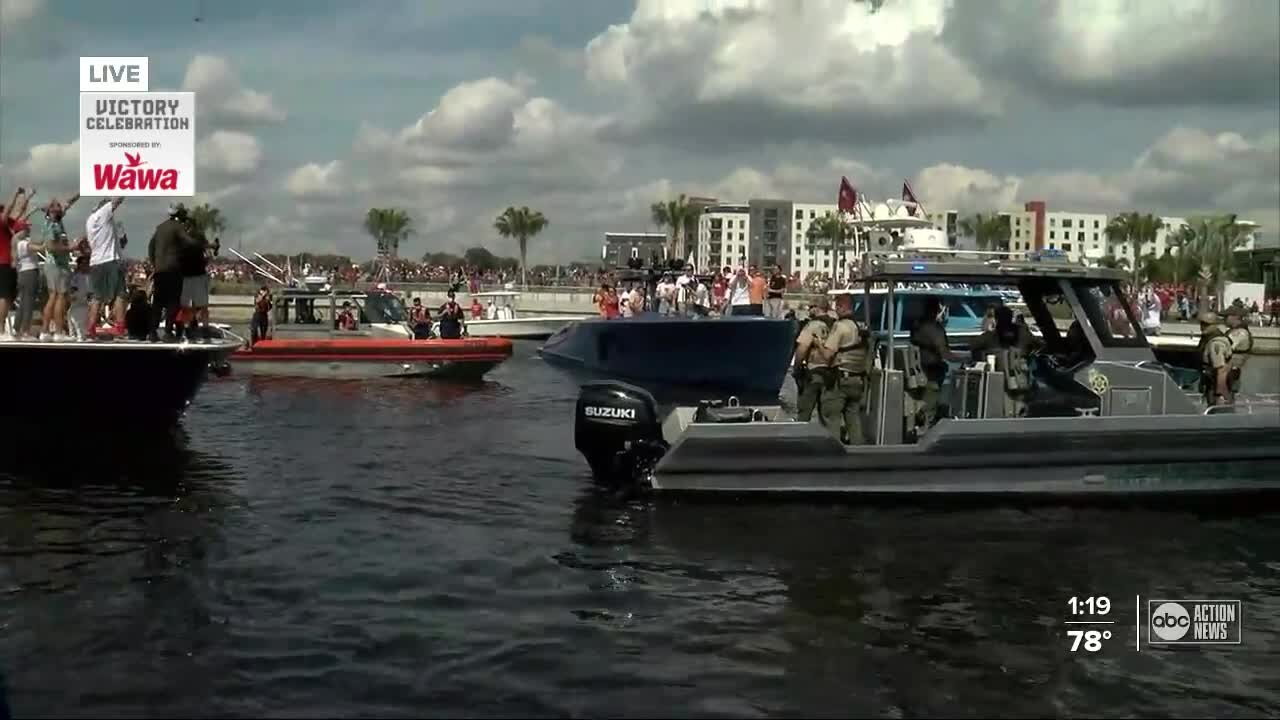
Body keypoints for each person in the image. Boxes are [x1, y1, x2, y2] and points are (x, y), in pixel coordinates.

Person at [818, 293, 868, 444]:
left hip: (841, 379)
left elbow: (827, 355)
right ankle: (858, 453)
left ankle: (833, 454)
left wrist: (818, 343)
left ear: (841, 307)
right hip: (857, 379)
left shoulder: (840, 327)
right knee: (853, 418)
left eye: (837, 306)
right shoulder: (860, 326)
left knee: (831, 416)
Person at [970, 305, 1035, 418]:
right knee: (1018, 409)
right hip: (1015, 379)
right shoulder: (1022, 333)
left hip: (1005, 380)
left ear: (997, 318)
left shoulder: (991, 336)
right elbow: (1037, 344)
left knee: (1008, 409)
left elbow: (973, 345)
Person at [148, 204, 197, 340]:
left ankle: (152, 332)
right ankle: (168, 332)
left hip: (160, 270)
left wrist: (155, 263)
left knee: (157, 302)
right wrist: (203, 244)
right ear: (179, 214)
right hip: (173, 270)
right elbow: (188, 242)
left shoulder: (160, 228)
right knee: (173, 302)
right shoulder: (177, 227)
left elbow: (151, 247)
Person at [85, 196, 127, 336]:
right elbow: (116, 200)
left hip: (96, 261)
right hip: (110, 260)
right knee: (119, 294)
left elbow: (119, 241)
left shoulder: (90, 221)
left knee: (97, 296)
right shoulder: (103, 214)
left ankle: (91, 328)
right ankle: (120, 328)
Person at [39, 194, 79, 341]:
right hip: (57, 265)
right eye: (57, 206)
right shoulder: (53, 225)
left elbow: (69, 201)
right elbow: (51, 246)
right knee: (59, 296)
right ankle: (58, 332)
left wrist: (80, 192)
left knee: (53, 297)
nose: (61, 206)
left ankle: (45, 332)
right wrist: (70, 247)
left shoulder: (54, 221)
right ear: (51, 210)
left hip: (54, 265)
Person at [909, 296, 951, 428]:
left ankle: (920, 421)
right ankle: (926, 424)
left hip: (917, 371)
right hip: (931, 373)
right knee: (930, 405)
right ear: (936, 310)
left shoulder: (917, 327)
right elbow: (945, 353)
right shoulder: (934, 329)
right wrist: (967, 357)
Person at [0, 186, 34, 341]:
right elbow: (10, 210)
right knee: (5, 297)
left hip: (10, 265)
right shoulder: (1, 224)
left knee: (9, 297)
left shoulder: (8, 225)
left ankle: (3, 329)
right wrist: (15, 193)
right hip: (4, 263)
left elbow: (20, 212)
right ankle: (0, 331)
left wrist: (28, 197)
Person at [792, 296, 834, 422]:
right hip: (832, 373)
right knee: (827, 416)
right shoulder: (835, 324)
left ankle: (801, 439)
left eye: (810, 307)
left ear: (817, 308)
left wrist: (797, 367)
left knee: (804, 412)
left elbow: (802, 349)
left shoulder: (812, 325)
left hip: (814, 371)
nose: (809, 310)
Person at [1197, 311, 1233, 406]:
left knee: (1217, 411)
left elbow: (1221, 370)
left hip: (1216, 385)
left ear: (1214, 325)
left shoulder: (1216, 343)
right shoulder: (1208, 338)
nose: (1202, 326)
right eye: (1201, 323)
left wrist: (1219, 393)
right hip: (1210, 382)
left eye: (1206, 324)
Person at [1222, 305, 1252, 398]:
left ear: (1234, 317)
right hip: (1228, 369)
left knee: (1227, 393)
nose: (1224, 319)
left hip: (1231, 370)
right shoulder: (1232, 331)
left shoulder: (1240, 333)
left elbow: (1226, 348)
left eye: (1226, 317)